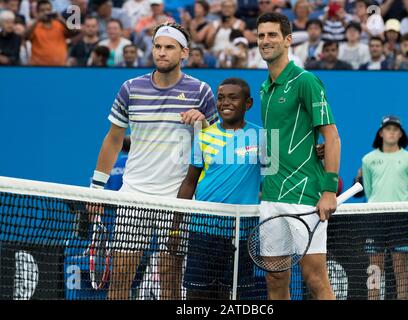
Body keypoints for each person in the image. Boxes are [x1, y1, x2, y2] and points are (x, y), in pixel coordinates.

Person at [88, 22, 218, 300]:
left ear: (184, 53)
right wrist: (96, 189)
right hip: (133, 196)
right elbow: (113, 139)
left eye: (169, 47)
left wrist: (204, 123)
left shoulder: (201, 92)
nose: (161, 52)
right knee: (121, 280)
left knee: (170, 285)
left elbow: (219, 144)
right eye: (158, 46)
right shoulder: (130, 88)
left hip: (178, 201)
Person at [256, 12, 341, 300]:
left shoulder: (306, 81)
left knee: (315, 278)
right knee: (275, 278)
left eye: (272, 35)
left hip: (304, 195)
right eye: (261, 35)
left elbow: (331, 136)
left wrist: (329, 189)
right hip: (271, 196)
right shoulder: (265, 88)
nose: (265, 40)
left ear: (288, 40)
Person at [174, 78, 262, 300]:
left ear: (248, 103)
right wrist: (175, 227)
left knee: (233, 295)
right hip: (203, 230)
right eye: (221, 98)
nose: (225, 103)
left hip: (242, 233)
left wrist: (317, 153)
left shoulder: (263, 137)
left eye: (233, 98)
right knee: (197, 295)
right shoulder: (203, 136)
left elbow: (274, 181)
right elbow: (189, 182)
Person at [362, 115, 408, 300]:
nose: (392, 132)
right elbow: (369, 191)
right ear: (381, 133)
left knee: (400, 267)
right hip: (375, 217)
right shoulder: (368, 160)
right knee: (374, 267)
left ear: (401, 133)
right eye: (388, 129)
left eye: (396, 129)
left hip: (401, 218)